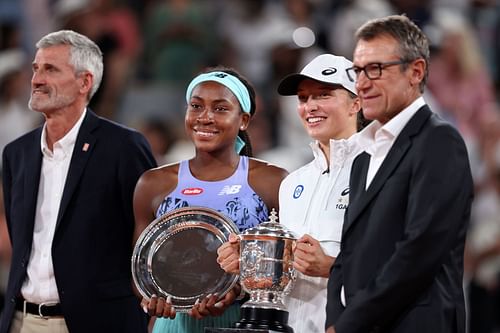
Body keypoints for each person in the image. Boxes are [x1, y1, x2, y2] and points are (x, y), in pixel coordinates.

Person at [0, 30, 156, 333]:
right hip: (22, 321)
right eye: (35, 68)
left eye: (50, 69)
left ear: (85, 82)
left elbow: (147, 240)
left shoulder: (124, 147)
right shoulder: (16, 154)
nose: (36, 79)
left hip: (98, 322)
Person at [325, 15, 474, 333]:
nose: (362, 83)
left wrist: (350, 322)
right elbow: (348, 250)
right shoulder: (363, 156)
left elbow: (418, 252)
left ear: (415, 71)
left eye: (375, 69)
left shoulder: (439, 141)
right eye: (358, 71)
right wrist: (334, 317)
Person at [217, 53, 364, 332]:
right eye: (303, 98)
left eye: (323, 95)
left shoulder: (380, 173)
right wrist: (248, 263)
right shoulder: (294, 182)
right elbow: (283, 274)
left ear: (356, 103)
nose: (310, 106)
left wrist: (333, 267)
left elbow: (399, 266)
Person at [135, 67, 288, 333]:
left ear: (244, 120)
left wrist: (237, 291)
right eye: (196, 106)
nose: (204, 117)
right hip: (173, 325)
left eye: (220, 109)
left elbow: (286, 266)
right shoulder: (153, 183)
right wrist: (151, 299)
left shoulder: (272, 181)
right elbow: (140, 266)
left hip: (246, 322)